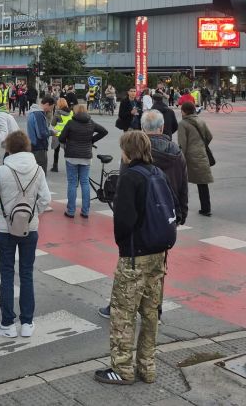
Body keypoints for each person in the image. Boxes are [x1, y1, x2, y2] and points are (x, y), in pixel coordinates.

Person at [94, 131, 170, 386]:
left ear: (128, 151)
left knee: (123, 313)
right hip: (158, 252)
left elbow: (124, 221)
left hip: (135, 255)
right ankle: (147, 367)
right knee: (150, 313)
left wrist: (123, 245)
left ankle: (122, 368)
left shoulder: (130, 177)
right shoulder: (157, 173)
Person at [0, 131, 51, 339]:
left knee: (6, 275)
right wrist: (32, 213)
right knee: (27, 274)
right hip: (30, 228)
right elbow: (46, 200)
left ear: (9, 148)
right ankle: (27, 322)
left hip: (6, 229)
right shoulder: (38, 170)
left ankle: (7, 324)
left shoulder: (2, 170)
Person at [58, 104, 108, 219]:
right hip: (86, 156)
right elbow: (104, 131)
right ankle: (85, 211)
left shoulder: (71, 123)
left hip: (71, 156)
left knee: (72, 183)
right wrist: (91, 141)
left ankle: (71, 211)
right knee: (85, 183)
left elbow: (61, 138)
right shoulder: (91, 123)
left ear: (75, 112)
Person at [177, 102, 214, 217]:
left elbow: (182, 144)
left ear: (184, 111)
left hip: (189, 156)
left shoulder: (183, 124)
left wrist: (180, 158)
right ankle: (206, 208)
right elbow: (209, 136)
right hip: (201, 154)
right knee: (202, 182)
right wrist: (201, 145)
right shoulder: (200, 121)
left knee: (181, 181)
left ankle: (179, 207)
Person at [27, 96, 54, 172]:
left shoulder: (32, 112)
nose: (50, 110)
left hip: (33, 146)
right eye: (51, 108)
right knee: (40, 174)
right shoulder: (39, 114)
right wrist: (52, 132)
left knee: (34, 173)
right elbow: (41, 134)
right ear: (47, 104)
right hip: (39, 148)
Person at [50, 97, 73, 172]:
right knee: (67, 152)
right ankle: (70, 168)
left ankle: (55, 167)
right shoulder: (71, 112)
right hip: (68, 135)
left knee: (56, 151)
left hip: (57, 134)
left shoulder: (57, 112)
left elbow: (53, 123)